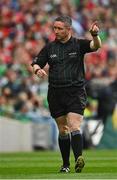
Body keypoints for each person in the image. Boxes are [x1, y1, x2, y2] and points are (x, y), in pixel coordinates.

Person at [31, 15, 101, 173]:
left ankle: (78, 159)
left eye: (59, 28)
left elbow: (95, 46)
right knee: (63, 129)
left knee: (74, 125)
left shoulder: (78, 44)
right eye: (54, 28)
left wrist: (95, 36)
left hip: (75, 91)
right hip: (55, 92)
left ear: (68, 29)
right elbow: (36, 62)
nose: (55, 31)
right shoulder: (50, 48)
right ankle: (65, 165)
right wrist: (37, 69)